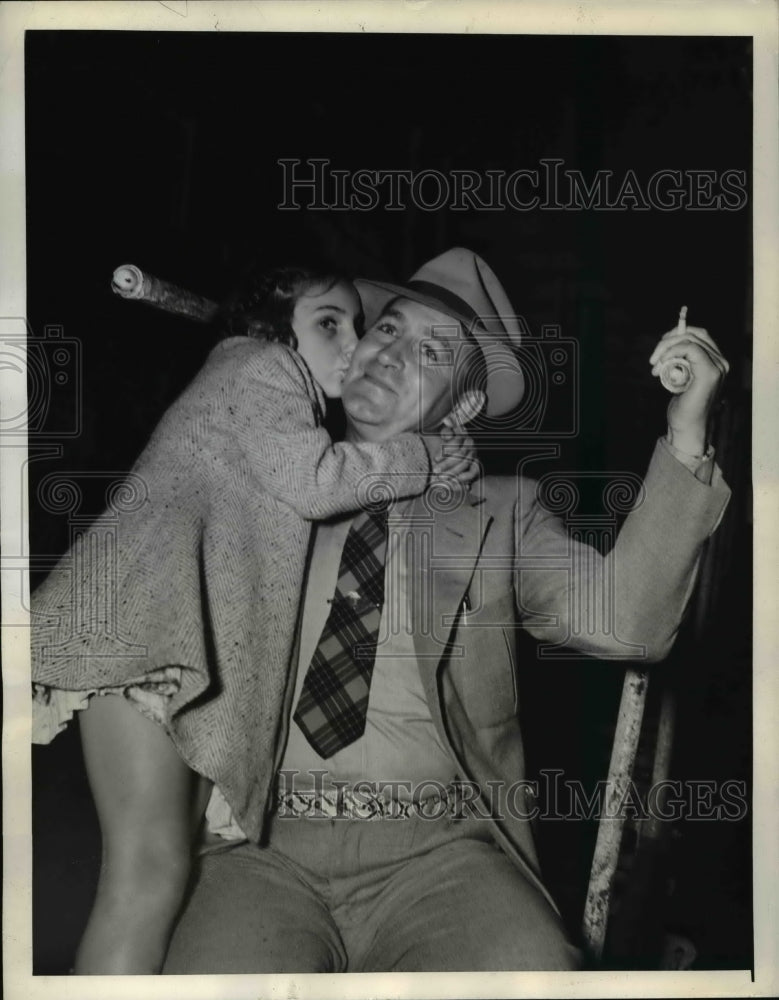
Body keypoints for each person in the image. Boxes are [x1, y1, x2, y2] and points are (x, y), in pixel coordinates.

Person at [159, 247, 731, 973]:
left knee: (535, 975)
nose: (393, 355)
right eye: (388, 331)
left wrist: (686, 429)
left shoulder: (501, 513)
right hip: (263, 849)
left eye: (430, 352)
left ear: (461, 406)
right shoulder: (259, 478)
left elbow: (630, 624)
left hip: (439, 859)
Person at [30, 263, 478, 974]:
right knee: (146, 873)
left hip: (165, 640)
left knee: (167, 871)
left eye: (355, 327)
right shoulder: (259, 364)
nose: (351, 344)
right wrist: (421, 455)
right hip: (139, 630)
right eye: (328, 322)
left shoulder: (278, 392)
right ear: (272, 327)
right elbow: (315, 483)